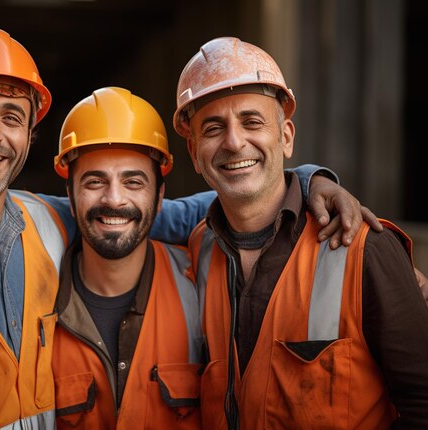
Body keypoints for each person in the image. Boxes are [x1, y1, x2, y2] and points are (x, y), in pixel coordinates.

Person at [0, 26, 376, 429]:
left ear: (29, 137)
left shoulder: (46, 221)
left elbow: (189, 209)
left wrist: (304, 182)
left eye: (11, 117)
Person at [175, 37, 428, 429]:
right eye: (213, 128)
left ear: (287, 137)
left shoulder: (363, 248)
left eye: (251, 121)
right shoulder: (197, 250)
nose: (234, 141)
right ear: (194, 154)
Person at [50, 87, 204, 429]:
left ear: (160, 196)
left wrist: (306, 180)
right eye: (94, 181)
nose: (114, 199)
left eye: (133, 182)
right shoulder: (34, 304)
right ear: (70, 197)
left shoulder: (202, 283)